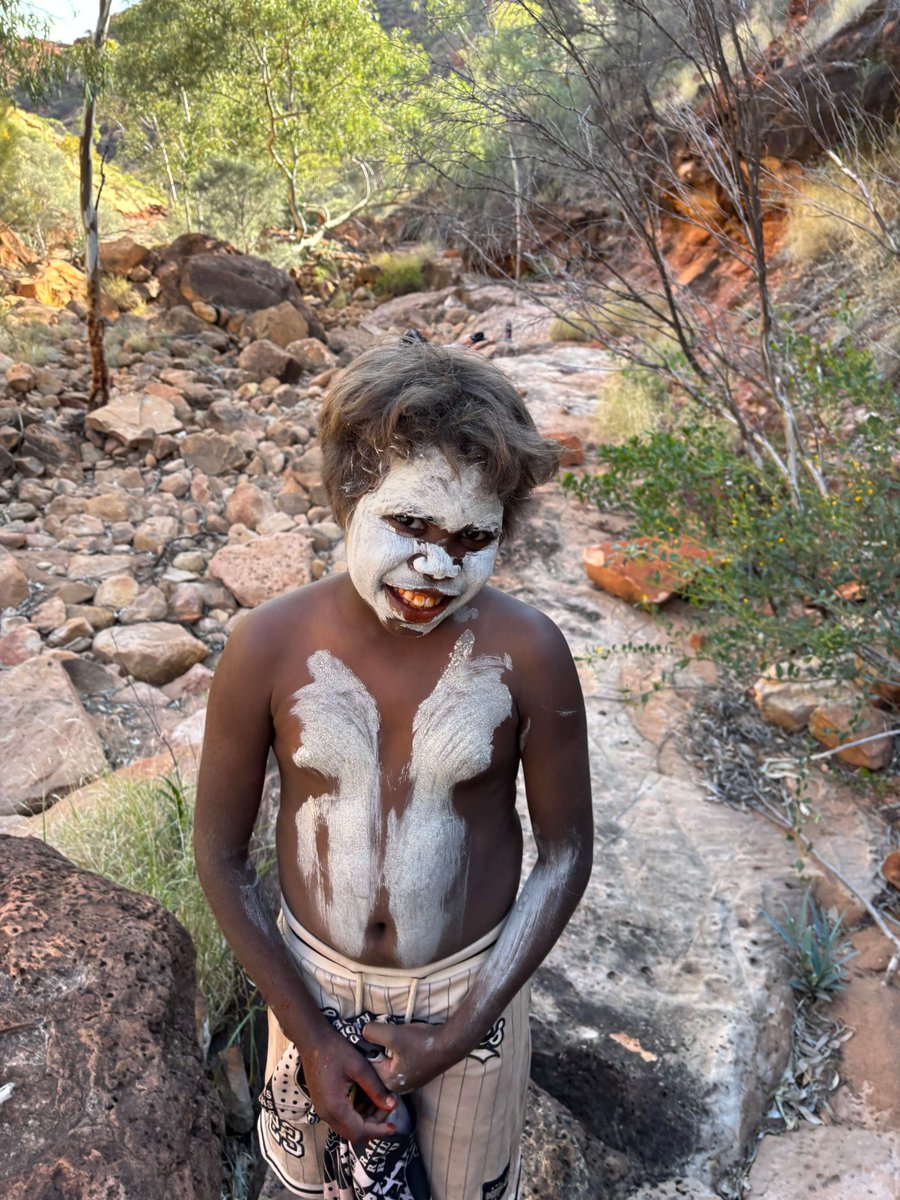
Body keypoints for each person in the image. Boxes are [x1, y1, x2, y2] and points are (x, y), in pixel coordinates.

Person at [194, 340, 593, 1200]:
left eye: (472, 538)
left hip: (466, 992)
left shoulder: (530, 654)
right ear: (349, 496)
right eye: (410, 524)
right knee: (311, 1185)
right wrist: (312, 1037)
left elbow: (565, 854)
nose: (438, 565)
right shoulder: (268, 646)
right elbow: (220, 857)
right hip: (309, 986)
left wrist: (459, 1032)